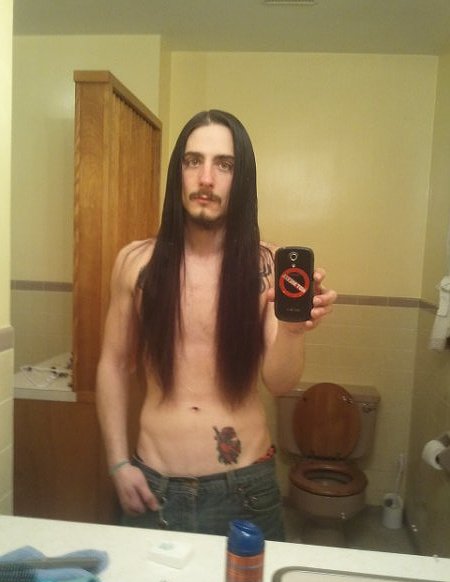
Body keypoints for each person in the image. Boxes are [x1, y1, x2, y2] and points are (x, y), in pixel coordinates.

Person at [96, 109, 337, 541]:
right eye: (194, 161)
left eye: (224, 164)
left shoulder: (267, 265)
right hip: (152, 485)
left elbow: (279, 383)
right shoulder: (135, 263)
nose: (206, 178)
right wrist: (117, 463)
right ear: (178, 172)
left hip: (245, 489)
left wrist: (292, 331)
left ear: (240, 179)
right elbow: (113, 364)